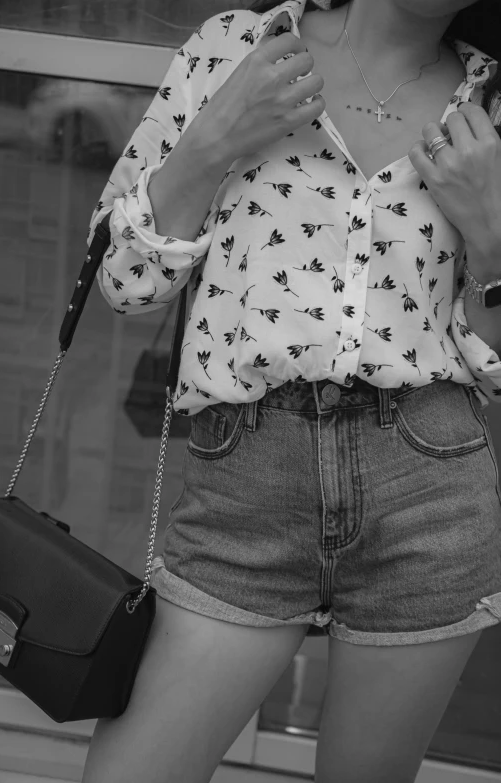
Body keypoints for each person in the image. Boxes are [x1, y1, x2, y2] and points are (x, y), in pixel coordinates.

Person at [82, 1, 501, 782]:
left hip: (431, 489)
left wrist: (494, 234)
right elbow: (124, 283)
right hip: (246, 484)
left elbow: (491, 364)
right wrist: (215, 139)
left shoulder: (490, 105)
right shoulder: (238, 47)